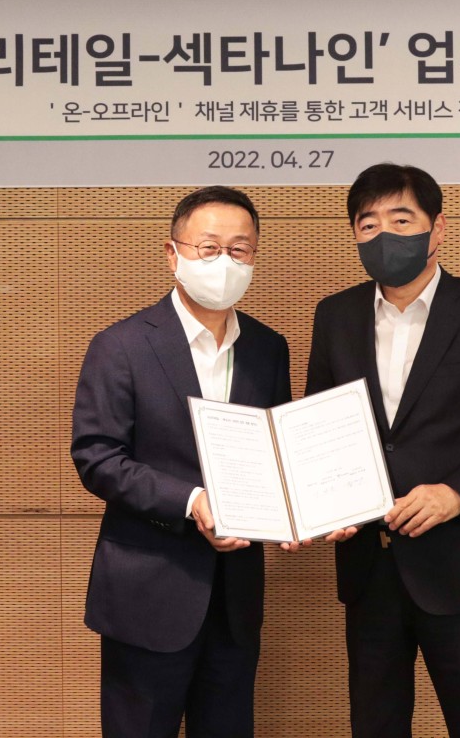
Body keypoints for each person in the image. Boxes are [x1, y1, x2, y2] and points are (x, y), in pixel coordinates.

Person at [308, 163, 460, 737]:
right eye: (368, 224)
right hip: (369, 566)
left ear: (436, 228)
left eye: (401, 220)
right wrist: (327, 503)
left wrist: (457, 493)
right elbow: (319, 425)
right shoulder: (335, 315)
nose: (384, 235)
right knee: (375, 724)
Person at [71, 186, 297, 738]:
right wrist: (193, 501)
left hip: (235, 598)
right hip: (148, 592)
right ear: (172, 255)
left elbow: (277, 454)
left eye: (239, 250)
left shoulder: (268, 348)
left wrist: (298, 512)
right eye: (209, 248)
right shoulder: (121, 345)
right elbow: (97, 456)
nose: (225, 262)